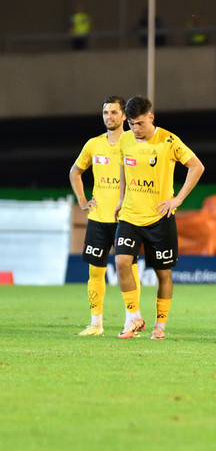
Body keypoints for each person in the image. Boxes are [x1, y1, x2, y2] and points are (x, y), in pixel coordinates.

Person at [114, 96, 205, 340]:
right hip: (130, 215)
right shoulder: (125, 139)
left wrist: (178, 199)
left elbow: (197, 167)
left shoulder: (168, 140)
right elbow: (124, 169)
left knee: (163, 274)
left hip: (159, 217)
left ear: (151, 118)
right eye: (131, 123)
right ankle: (134, 317)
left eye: (140, 123)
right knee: (121, 262)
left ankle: (160, 325)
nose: (135, 129)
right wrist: (121, 199)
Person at [69, 96, 140, 336]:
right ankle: (96, 324)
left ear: (124, 116)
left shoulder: (134, 143)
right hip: (98, 218)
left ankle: (132, 320)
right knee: (95, 272)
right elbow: (75, 172)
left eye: (114, 112)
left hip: (126, 219)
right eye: (105, 112)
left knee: (129, 270)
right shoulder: (93, 144)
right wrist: (82, 201)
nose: (109, 117)